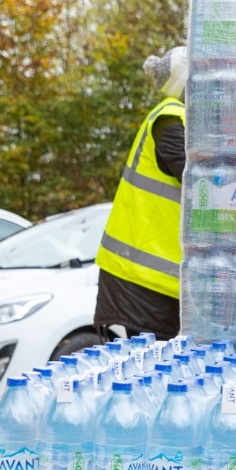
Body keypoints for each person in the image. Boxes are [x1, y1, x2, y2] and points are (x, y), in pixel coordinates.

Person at [94, 46, 187, 342]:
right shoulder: (171, 121)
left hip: (148, 281)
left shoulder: (176, 120)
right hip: (142, 283)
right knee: (155, 366)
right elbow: (205, 185)